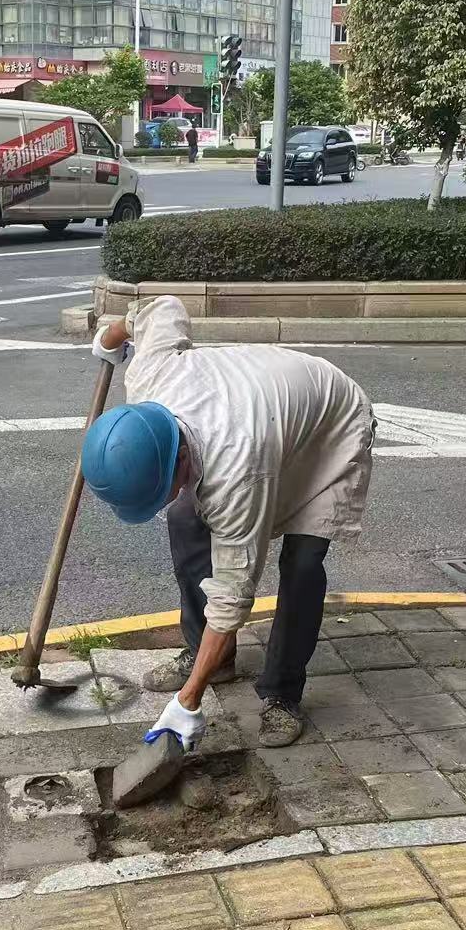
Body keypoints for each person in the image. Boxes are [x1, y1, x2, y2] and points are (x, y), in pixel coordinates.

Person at [80, 296, 375, 751]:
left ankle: (282, 694)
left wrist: (187, 701)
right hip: (267, 408)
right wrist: (112, 335)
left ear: (180, 458)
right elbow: (160, 309)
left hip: (330, 424)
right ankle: (212, 658)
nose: (159, 502)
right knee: (184, 519)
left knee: (303, 560)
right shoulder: (148, 378)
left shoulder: (237, 472)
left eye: (160, 490)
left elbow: (233, 594)